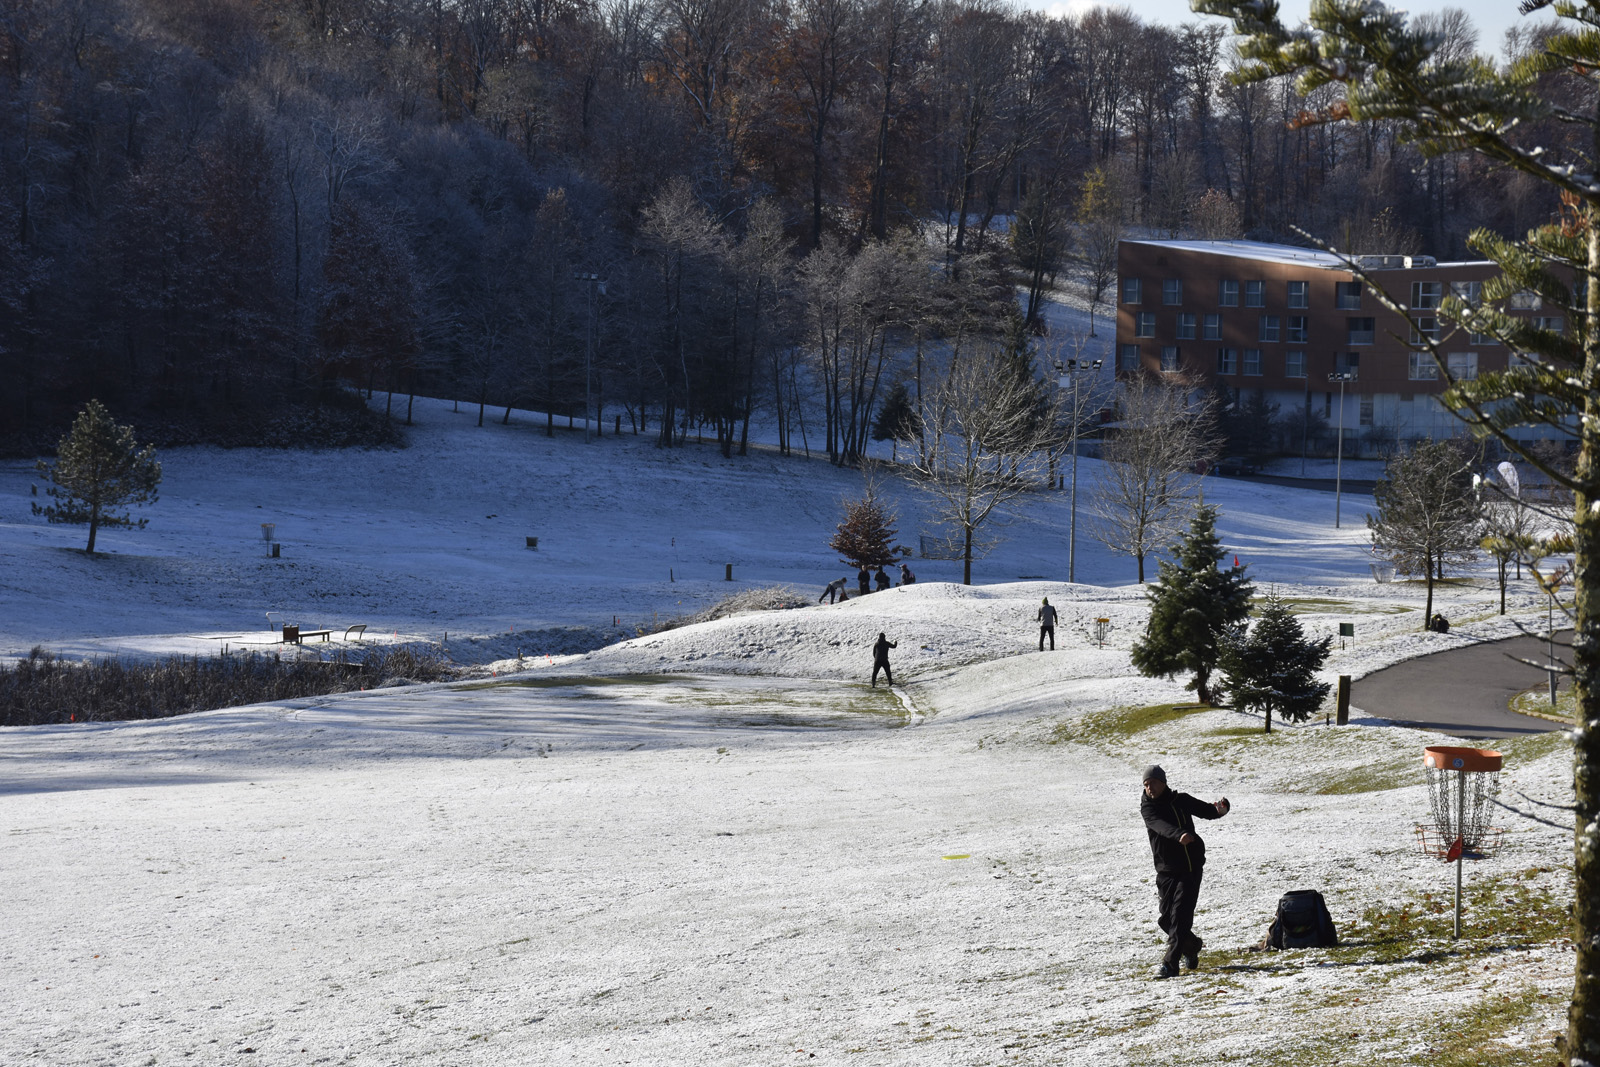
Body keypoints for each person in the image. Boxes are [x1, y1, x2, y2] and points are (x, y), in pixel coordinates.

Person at [1140, 765, 1230, 978]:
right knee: (1166, 920)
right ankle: (1191, 946)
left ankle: (1170, 964)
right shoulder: (1148, 809)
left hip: (1190, 868)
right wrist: (1178, 834)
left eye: (1152, 783)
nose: (1149, 788)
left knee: (1180, 917)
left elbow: (1206, 810)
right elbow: (1160, 826)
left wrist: (1220, 810)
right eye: (1146, 784)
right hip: (1165, 870)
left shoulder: (1181, 800)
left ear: (1163, 782)